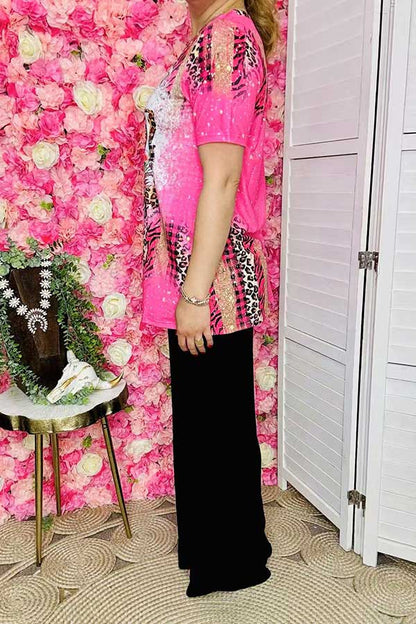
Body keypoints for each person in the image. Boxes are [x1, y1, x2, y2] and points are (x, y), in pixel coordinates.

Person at [140, 0, 279, 598]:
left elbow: (222, 177)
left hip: (212, 277)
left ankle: (233, 560)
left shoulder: (226, 40)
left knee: (216, 423)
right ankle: (214, 549)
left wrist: (195, 293)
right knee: (207, 419)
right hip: (195, 269)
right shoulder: (210, 38)